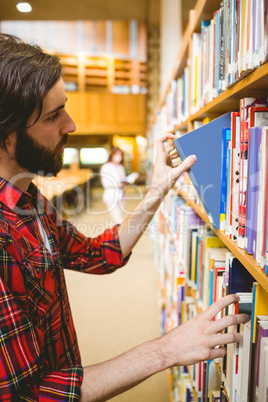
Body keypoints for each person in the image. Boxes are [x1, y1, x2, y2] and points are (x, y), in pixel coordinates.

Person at [0, 33, 249, 402]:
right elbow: (29, 395)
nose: (71, 125)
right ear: (7, 133)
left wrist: (157, 190)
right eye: (54, 116)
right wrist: (167, 350)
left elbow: (101, 253)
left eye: (63, 107)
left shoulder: (29, 200)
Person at [100, 147, 126, 224]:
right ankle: (119, 235)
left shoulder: (120, 167)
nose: (119, 157)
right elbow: (106, 183)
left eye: (120, 155)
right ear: (112, 155)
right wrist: (118, 185)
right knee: (118, 220)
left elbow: (122, 179)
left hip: (121, 195)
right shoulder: (106, 167)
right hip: (111, 196)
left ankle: (117, 234)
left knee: (120, 217)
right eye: (117, 155)